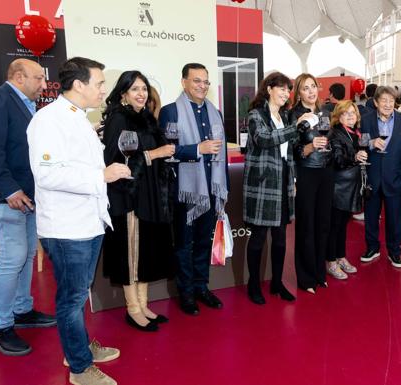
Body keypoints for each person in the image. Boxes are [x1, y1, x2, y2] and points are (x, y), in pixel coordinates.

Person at [27, 57, 129, 385]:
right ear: (79, 85)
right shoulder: (49, 120)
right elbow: (46, 174)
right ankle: (80, 368)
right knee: (71, 298)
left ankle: (78, 348)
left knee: (78, 292)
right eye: (99, 83)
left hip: (86, 222)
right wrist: (101, 174)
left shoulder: (78, 118)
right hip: (67, 226)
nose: (104, 89)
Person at [0, 58, 55, 356]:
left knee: (27, 254)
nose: (44, 85)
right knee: (13, 257)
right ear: (19, 77)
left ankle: (22, 310)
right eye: (38, 78)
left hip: (29, 195)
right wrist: (9, 189)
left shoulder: (27, 106)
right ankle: (2, 327)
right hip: (7, 195)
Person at [102, 71, 175, 331]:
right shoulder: (118, 119)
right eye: (134, 89)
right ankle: (132, 309)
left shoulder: (145, 117)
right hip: (128, 197)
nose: (141, 93)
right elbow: (115, 161)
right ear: (123, 93)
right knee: (131, 253)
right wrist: (155, 153)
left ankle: (143, 305)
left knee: (145, 252)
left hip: (149, 195)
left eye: (144, 88)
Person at [158, 63, 228, 315]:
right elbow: (167, 152)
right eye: (196, 80)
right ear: (184, 82)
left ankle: (201, 287)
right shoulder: (170, 112)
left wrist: (224, 189)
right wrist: (198, 149)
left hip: (211, 189)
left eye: (206, 82)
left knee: (203, 243)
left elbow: (223, 157)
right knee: (184, 245)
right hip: (185, 192)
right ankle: (186, 293)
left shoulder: (215, 113)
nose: (202, 86)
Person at [243, 72, 313, 304]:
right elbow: (264, 139)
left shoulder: (284, 115)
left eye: (288, 89)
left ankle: (276, 283)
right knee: (259, 237)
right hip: (264, 182)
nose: (285, 93)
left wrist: (308, 137)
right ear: (269, 89)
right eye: (281, 88)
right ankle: (254, 284)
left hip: (283, 179)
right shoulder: (256, 114)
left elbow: (290, 146)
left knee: (281, 237)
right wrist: (297, 127)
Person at [360, 86, 401, 268]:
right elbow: (359, 143)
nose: (388, 104)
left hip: (396, 179)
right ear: (376, 102)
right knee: (371, 217)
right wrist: (371, 143)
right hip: (372, 177)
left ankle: (395, 251)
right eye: (384, 101)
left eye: (391, 101)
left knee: (395, 218)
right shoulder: (365, 120)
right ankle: (372, 248)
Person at [290, 73, 332, 293]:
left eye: (313, 87)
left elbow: (332, 141)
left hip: (326, 173)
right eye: (305, 88)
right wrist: (310, 146)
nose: (310, 91)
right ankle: (306, 278)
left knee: (323, 224)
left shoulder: (326, 112)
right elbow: (292, 151)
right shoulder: (294, 115)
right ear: (298, 92)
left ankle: (319, 273)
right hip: (306, 173)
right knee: (306, 226)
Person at [326, 100, 365, 279]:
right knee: (334, 226)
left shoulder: (354, 134)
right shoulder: (335, 133)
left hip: (350, 185)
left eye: (353, 113)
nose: (350, 116)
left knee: (343, 226)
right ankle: (331, 262)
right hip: (338, 186)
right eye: (346, 113)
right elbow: (338, 160)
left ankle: (340, 257)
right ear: (338, 116)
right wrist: (355, 156)